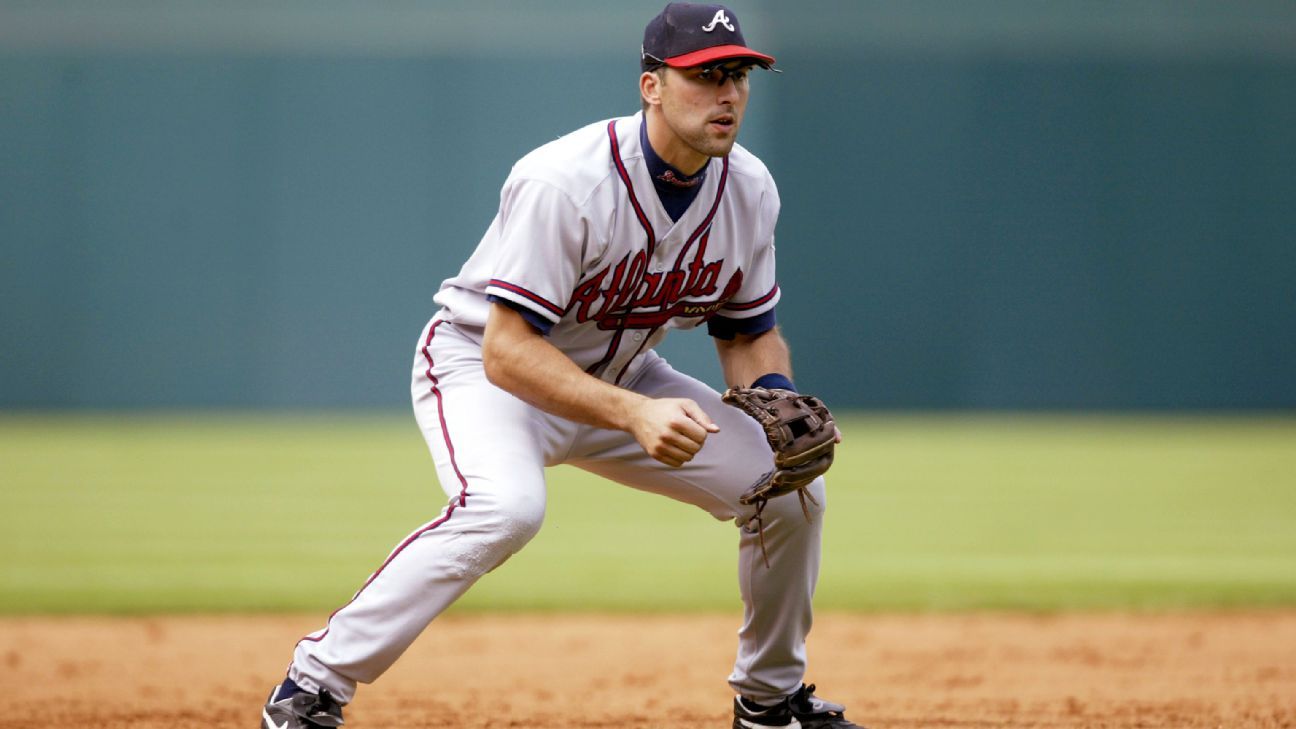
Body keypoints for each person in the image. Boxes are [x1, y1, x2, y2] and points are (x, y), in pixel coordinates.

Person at [260, 4, 864, 728]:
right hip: (485, 372)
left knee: (789, 491)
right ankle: (312, 683)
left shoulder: (749, 187)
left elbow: (747, 332)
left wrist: (773, 397)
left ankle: (770, 701)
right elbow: (508, 350)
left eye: (737, 74)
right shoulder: (565, 182)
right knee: (506, 510)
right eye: (704, 75)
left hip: (624, 376)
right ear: (652, 86)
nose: (727, 92)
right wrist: (635, 413)